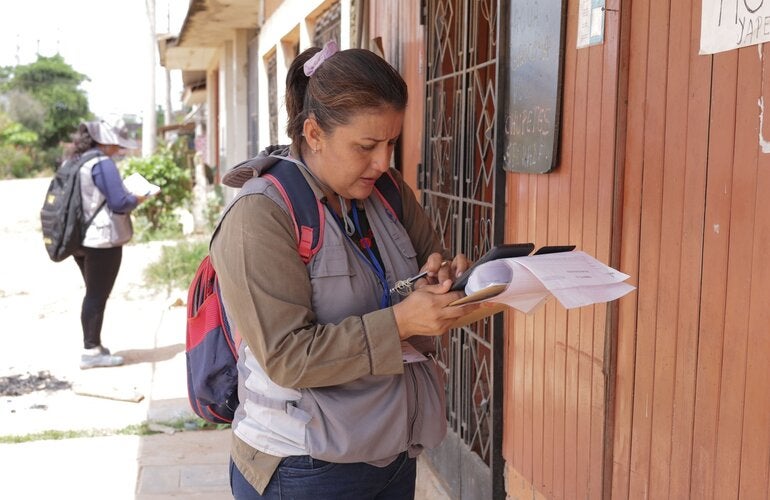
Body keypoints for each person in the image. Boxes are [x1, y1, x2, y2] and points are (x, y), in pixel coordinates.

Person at [210, 40, 482, 499]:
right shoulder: (261, 215)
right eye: (367, 146)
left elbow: (430, 265)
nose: (383, 162)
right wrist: (400, 322)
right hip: (302, 466)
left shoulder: (389, 194)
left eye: (392, 143)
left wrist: (446, 283)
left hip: (393, 450)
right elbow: (287, 357)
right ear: (314, 133)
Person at [69, 120, 146, 369]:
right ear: (105, 141)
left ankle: (94, 345)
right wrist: (139, 197)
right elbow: (119, 202)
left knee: (93, 292)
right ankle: (91, 351)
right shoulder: (102, 164)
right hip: (102, 240)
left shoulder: (78, 160)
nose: (119, 147)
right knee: (96, 295)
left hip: (79, 239)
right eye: (116, 142)